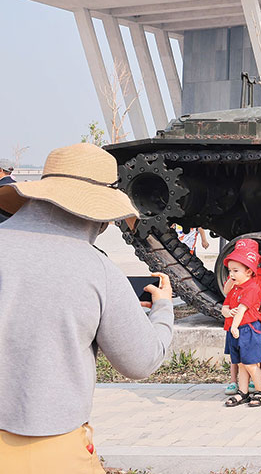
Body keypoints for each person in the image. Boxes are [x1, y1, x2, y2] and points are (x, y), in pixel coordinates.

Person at [0, 143, 173, 473]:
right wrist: (162, 308)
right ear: (100, 214)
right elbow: (141, 362)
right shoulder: (97, 270)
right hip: (49, 449)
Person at [222, 243, 261, 407]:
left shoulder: (252, 288)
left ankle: (260, 391)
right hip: (235, 328)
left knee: (251, 364)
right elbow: (225, 306)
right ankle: (243, 391)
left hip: (248, 329)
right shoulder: (235, 288)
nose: (231, 274)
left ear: (248, 271)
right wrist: (227, 313)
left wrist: (234, 326)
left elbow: (242, 309)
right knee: (241, 363)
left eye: (235, 271)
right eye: (230, 271)